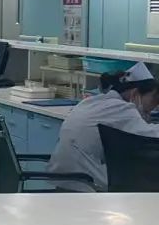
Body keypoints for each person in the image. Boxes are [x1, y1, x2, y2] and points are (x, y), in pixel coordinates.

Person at [47, 62, 159, 190]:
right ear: (135, 93)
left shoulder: (93, 101)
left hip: (64, 177)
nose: (154, 107)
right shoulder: (120, 108)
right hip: (83, 183)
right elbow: (150, 137)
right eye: (154, 99)